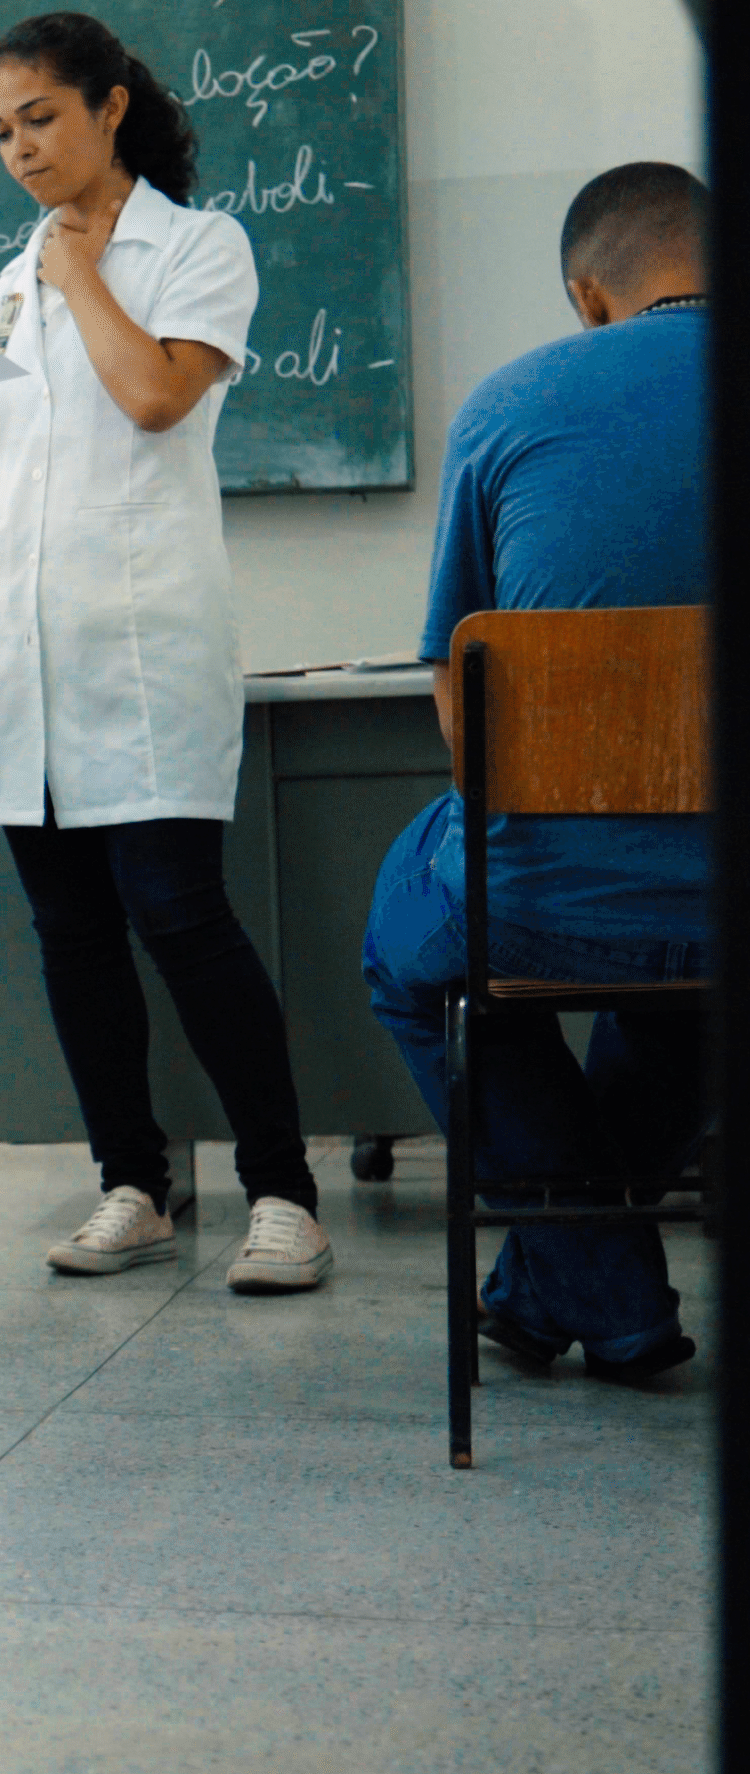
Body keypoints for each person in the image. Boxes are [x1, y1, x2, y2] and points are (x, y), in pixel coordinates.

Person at [0, 11, 329, 1291]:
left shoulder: (196, 246)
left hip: (138, 637)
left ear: (109, 106)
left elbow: (152, 398)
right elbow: (8, 480)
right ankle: (129, 1181)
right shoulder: (9, 277)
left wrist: (82, 277)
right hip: (14, 642)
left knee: (182, 914)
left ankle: (284, 1194)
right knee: (66, 930)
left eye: (40, 118)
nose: (18, 150)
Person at [362, 162, 710, 1384]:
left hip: (552, 891)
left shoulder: (513, 405)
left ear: (588, 295)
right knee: (689, 981)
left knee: (410, 946)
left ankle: (595, 1292)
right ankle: (569, 1286)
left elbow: (465, 692)